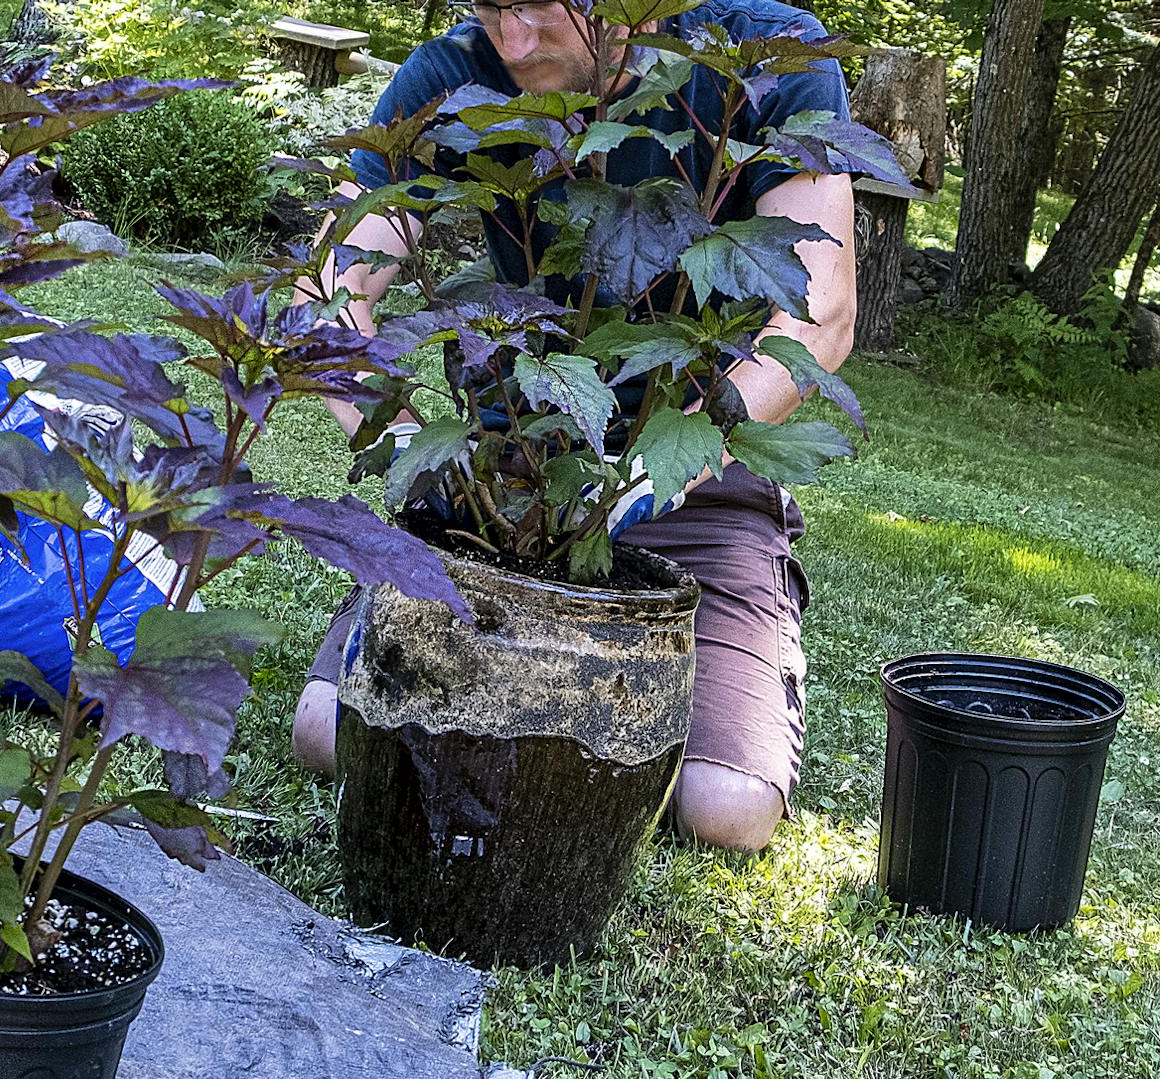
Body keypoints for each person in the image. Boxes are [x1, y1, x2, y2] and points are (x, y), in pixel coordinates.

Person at [289, 0, 859, 852]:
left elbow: (822, 313)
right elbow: (323, 300)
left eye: (540, 10)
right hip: (508, 479)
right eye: (491, 8)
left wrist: (654, 473)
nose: (512, 47)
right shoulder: (453, 77)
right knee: (332, 731)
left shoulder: (763, 56)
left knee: (725, 809)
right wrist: (417, 452)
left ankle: (742, 625)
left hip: (697, 475)